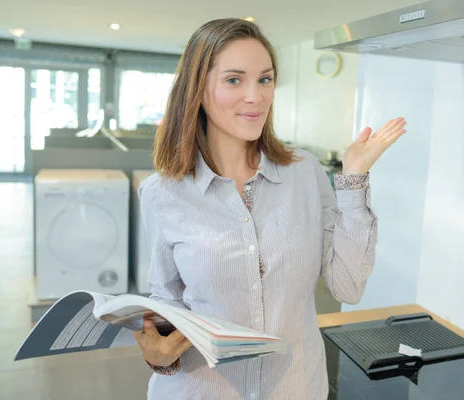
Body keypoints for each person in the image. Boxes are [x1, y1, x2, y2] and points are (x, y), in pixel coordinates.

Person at [134, 17, 407, 400]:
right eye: (234, 80)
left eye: (265, 79)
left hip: (295, 388)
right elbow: (166, 297)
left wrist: (354, 177)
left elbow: (348, 285)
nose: (256, 96)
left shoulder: (305, 173)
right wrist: (159, 354)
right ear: (197, 88)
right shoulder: (162, 192)